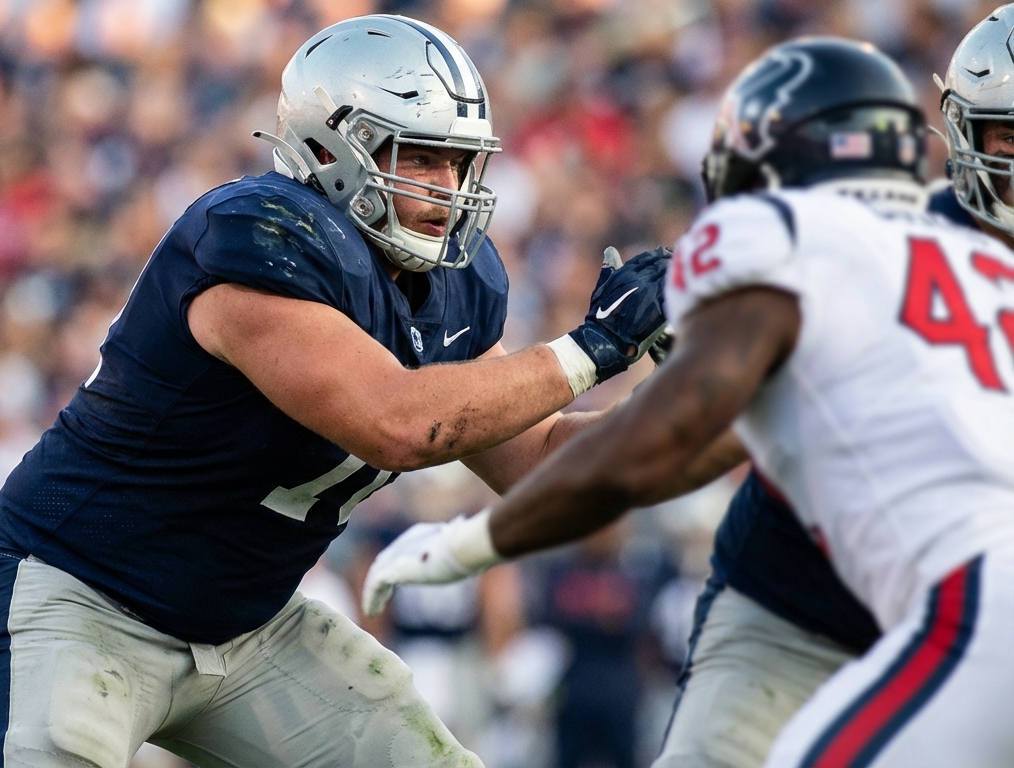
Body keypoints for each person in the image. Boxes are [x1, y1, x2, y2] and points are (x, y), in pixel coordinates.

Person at [0, 14, 672, 768]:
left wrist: (693, 395)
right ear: (331, 148)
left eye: (460, 162)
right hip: (82, 597)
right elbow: (398, 422)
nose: (448, 188)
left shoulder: (450, 285)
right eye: (419, 156)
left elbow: (543, 461)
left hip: (250, 630)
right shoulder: (256, 240)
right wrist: (593, 347)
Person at [364, 36, 1014, 766]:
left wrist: (469, 544)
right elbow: (678, 443)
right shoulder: (865, 259)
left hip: (957, 603)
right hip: (799, 601)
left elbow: (671, 444)